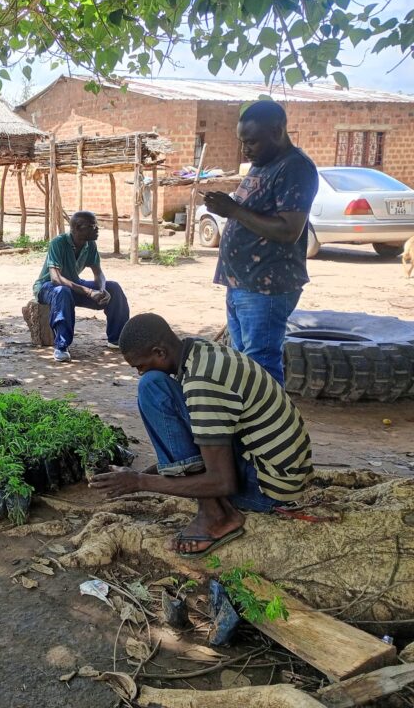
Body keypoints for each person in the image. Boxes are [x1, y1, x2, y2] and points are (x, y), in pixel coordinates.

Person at [90, 313, 313, 558]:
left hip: (270, 490)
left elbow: (223, 482)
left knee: (152, 388)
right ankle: (214, 509)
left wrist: (139, 482)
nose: (140, 372)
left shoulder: (202, 382)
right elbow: (201, 439)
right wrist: (140, 475)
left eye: (140, 365)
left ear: (160, 352)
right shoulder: (200, 352)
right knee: (156, 386)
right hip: (275, 467)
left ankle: (216, 515)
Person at [203, 100, 318, 384]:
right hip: (242, 283)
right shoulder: (262, 164)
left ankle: (270, 414)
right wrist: (227, 207)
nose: (245, 149)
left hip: (267, 287)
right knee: (244, 365)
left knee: (261, 368)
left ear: (277, 131)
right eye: (242, 141)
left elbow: (289, 230)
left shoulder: (295, 167)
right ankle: (249, 412)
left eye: (252, 141)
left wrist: (233, 210)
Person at [32, 211, 130, 362]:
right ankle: (61, 346)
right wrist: (89, 292)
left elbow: (98, 273)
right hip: (48, 287)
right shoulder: (58, 243)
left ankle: (116, 339)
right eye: (92, 226)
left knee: (113, 288)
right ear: (77, 228)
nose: (97, 229)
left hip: (73, 285)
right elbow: (56, 279)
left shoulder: (90, 245)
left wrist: (102, 289)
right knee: (62, 291)